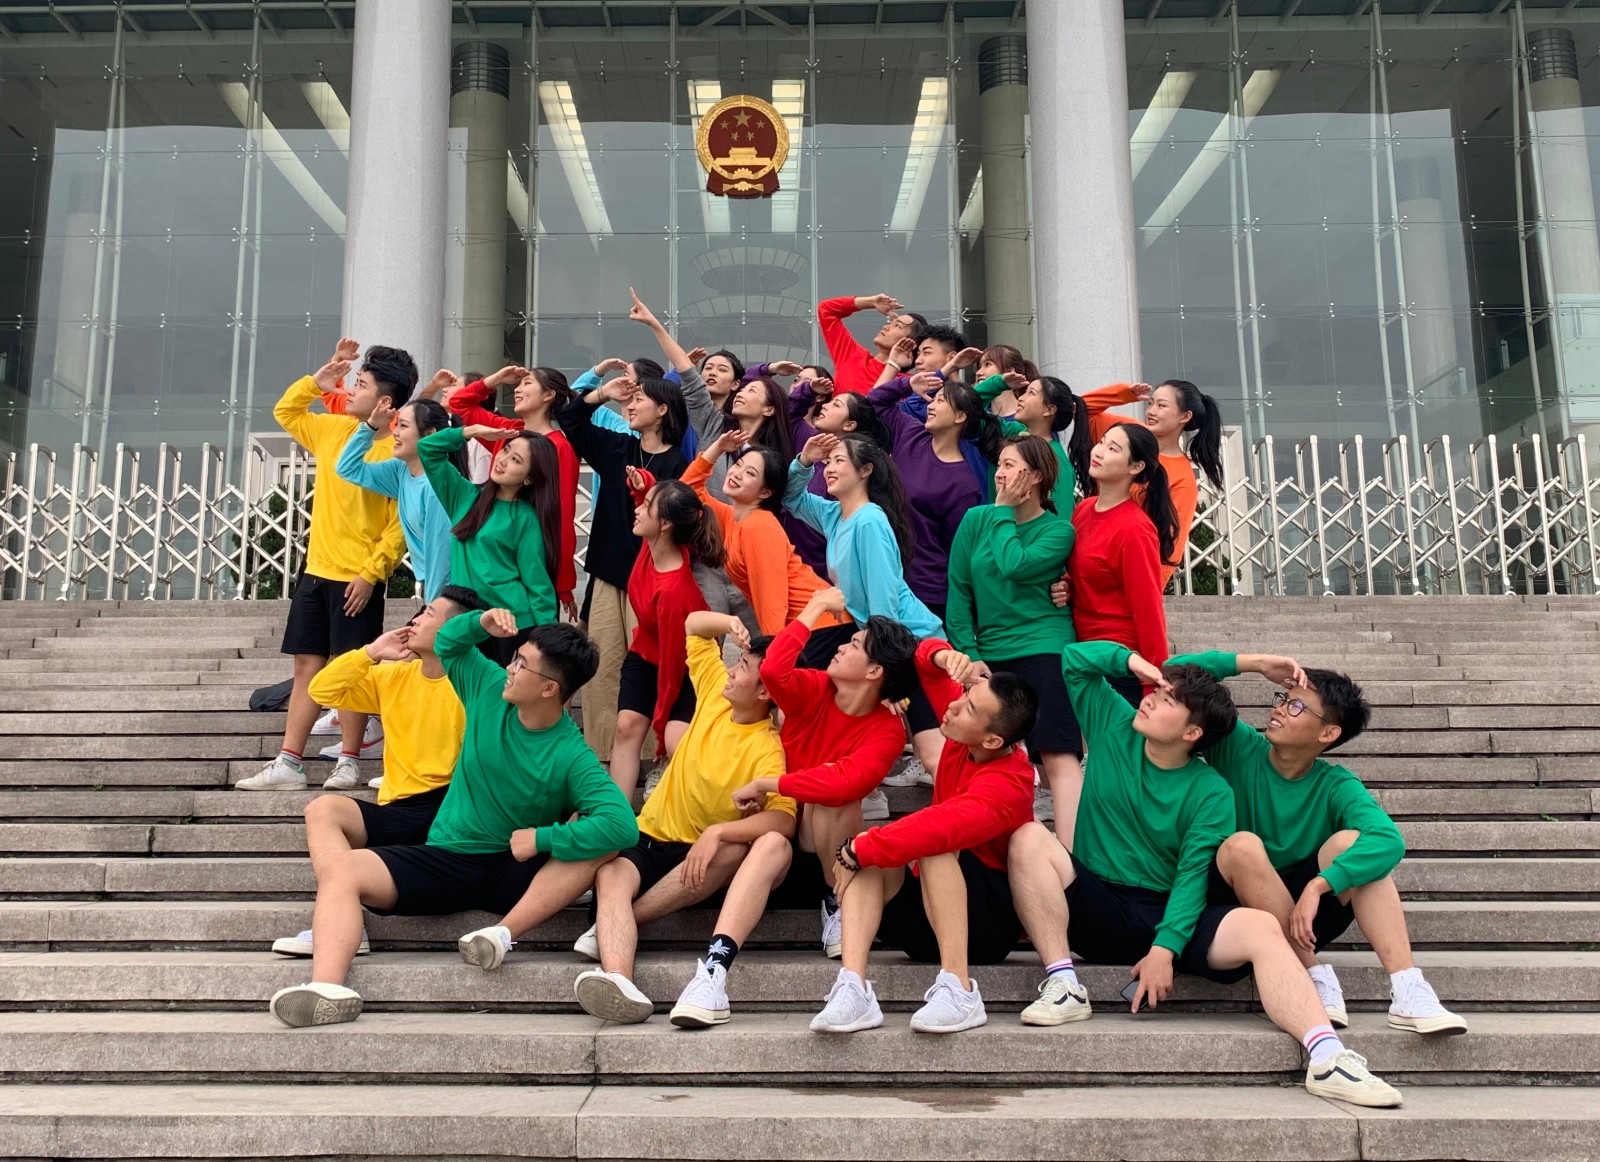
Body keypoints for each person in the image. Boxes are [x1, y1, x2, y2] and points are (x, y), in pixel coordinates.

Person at [1004, 640, 1403, 1108]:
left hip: (1167, 908)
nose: (1149, 700)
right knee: (1028, 837)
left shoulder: (1212, 791)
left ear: (1193, 732)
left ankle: (1328, 1057)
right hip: (1098, 904)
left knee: (1261, 926)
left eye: (1166, 700)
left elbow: (1194, 873)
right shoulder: (1113, 723)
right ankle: (1064, 983)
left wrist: (1164, 948)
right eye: (1156, 693)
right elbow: (1074, 660)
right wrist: (1136, 664)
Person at [268, 609, 638, 1027]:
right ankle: (329, 989)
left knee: (602, 849)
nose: (510, 667)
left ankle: (503, 933)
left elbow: (621, 824)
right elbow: (448, 643)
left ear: (549, 688)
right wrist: (481, 622)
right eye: (515, 657)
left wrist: (542, 839)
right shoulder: (488, 687)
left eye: (522, 663)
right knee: (341, 869)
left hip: (514, 871)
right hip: (445, 857)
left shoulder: (572, 753)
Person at [1164, 650, 1468, 1036]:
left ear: (1328, 734)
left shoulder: (1335, 784)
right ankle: (1312, 975)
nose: (1278, 709)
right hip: (1235, 907)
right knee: (1241, 845)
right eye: (1282, 699)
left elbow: (1388, 840)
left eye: (1295, 706)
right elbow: (1175, 675)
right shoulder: (1239, 747)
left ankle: (1408, 989)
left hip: (1306, 918)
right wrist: (1255, 664)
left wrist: (1319, 885)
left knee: (1351, 844)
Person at [571, 611, 795, 1025]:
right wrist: (729, 622)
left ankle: (614, 923)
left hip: (696, 858)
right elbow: (692, 625)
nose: (731, 670)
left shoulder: (769, 749)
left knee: (733, 850)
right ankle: (619, 980)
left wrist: (719, 831)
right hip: (649, 835)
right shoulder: (714, 691)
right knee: (611, 875)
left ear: (766, 691)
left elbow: (784, 823)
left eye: (744, 667)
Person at [811, 639, 1039, 1035]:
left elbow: (941, 826)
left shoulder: (1010, 784)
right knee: (872, 858)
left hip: (986, 926)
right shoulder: (963, 729)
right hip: (924, 922)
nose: (953, 706)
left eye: (969, 707)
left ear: (993, 740)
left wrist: (859, 847)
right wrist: (943, 656)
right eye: (965, 693)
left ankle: (960, 991)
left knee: (930, 845)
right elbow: (921, 661)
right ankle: (853, 988)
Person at [272, 585, 487, 956]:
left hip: (449, 805)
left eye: (429, 614)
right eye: (421, 612)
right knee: (323, 809)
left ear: (456, 630)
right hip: (399, 809)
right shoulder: (396, 677)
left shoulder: (473, 683)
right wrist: (370, 652)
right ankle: (344, 920)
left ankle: (337, 921)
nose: (415, 620)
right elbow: (322, 691)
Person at [238, 340, 412, 792]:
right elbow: (286, 412)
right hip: (316, 571)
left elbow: (399, 525)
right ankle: (288, 762)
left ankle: (349, 761)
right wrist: (317, 382)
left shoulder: (397, 451)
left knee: (352, 670)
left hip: (358, 579)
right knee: (306, 666)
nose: (350, 390)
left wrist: (372, 572)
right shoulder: (333, 429)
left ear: (386, 401)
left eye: (361, 384)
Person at [723, 589, 915, 965]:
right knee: (827, 786)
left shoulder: (889, 730)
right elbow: (773, 670)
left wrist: (766, 783)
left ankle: (836, 902)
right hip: (777, 830)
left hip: (826, 845)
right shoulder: (815, 687)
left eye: (854, 644)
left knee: (835, 797)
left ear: (874, 672)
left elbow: (845, 784)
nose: (840, 646)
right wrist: (816, 606)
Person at [945, 437, 1082, 841]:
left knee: (1057, 753)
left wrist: (1003, 511)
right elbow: (959, 592)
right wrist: (969, 652)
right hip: (989, 653)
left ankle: (1073, 859)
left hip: (1044, 646)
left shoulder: (1058, 530)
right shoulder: (975, 520)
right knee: (983, 754)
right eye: (999, 465)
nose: (1000, 474)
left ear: (1036, 476)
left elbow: (1013, 564)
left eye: (1010, 466)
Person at [558, 365, 690, 764]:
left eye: (639, 399)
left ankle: (654, 756)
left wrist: (647, 491)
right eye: (630, 399)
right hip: (608, 574)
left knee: (648, 666)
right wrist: (603, 392)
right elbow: (570, 418)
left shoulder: (678, 465)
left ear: (663, 410)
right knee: (604, 666)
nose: (630, 406)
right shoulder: (617, 447)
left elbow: (681, 526)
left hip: (653, 581)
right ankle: (601, 756)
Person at [683, 429, 852, 661]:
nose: (737, 474)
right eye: (738, 464)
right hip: (808, 627)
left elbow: (772, 600)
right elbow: (687, 493)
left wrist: (771, 656)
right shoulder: (732, 517)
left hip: (821, 627)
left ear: (765, 491)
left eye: (750, 473)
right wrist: (718, 448)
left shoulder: (759, 526)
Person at [609, 475, 724, 803]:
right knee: (626, 725)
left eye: (646, 506)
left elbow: (672, 677)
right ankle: (615, 817)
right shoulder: (655, 545)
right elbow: (646, 498)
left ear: (664, 524)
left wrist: (659, 739)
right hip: (648, 651)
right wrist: (641, 485)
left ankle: (680, 798)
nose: (637, 510)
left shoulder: (674, 593)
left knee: (674, 741)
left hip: (687, 668)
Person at [415, 424, 563, 667]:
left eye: (515, 459)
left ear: (529, 477)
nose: (503, 460)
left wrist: (548, 638)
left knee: (495, 689)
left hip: (508, 625)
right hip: (465, 620)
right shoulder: (464, 496)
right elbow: (427, 449)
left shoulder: (525, 518)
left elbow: (537, 582)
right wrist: (471, 431)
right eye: (506, 449)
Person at [445, 365, 581, 620]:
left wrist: (563, 584)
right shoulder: (507, 432)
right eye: (518, 384)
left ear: (548, 395)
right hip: (495, 560)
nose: (517, 389)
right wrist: (494, 380)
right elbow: (459, 404)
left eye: (527, 383)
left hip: (531, 566)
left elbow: (562, 517)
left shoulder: (559, 448)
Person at [1065, 422, 1178, 706]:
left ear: (1135, 467)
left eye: (1113, 449)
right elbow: (1080, 572)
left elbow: (1149, 611)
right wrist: (1066, 586)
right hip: (1082, 653)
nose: (1099, 451)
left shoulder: (1136, 531)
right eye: (1101, 441)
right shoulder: (1084, 509)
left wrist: (1152, 684)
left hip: (1119, 664)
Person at [1086, 378, 1224, 588]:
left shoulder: (1182, 479)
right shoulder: (1127, 434)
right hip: (1087, 556)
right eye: (1150, 403)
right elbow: (1078, 408)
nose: (1151, 411)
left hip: (1121, 579)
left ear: (1185, 416)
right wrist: (1123, 394)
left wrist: (1140, 593)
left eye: (1161, 406)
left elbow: (1169, 551)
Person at [334, 397, 460, 609]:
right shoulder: (401, 470)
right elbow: (347, 468)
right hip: (437, 590)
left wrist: (433, 611)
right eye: (397, 424)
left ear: (429, 434)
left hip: (452, 593)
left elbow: (441, 556)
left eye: (403, 426)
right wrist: (371, 426)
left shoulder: (436, 487)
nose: (395, 432)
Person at [783, 381, 889, 580]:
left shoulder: (868, 518)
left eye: (836, 405)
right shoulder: (812, 443)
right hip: (792, 567)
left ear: (849, 425)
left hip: (822, 576)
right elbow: (791, 498)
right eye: (830, 462)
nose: (824, 406)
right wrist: (808, 390)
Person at [967, 366, 1092, 510]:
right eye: (1024, 392)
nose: (1021, 398)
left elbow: (1059, 517)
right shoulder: (1013, 433)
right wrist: (999, 383)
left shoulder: (1057, 461)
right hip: (995, 521)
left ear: (1049, 409)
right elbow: (966, 407)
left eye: (1031, 393)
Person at [816, 292, 926, 395]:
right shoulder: (852, 356)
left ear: (913, 343)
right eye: (890, 322)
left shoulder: (910, 384)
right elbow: (826, 309)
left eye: (897, 325)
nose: (886, 327)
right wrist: (871, 302)